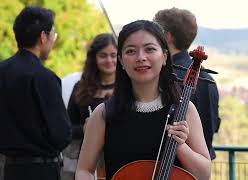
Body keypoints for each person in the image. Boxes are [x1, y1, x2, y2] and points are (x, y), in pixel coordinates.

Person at [75, 20, 211, 180]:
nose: (141, 57)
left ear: (164, 57)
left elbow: (204, 175)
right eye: (131, 51)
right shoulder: (103, 114)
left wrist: (180, 146)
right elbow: (84, 170)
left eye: (150, 49)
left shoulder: (186, 110)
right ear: (121, 61)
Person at [0, 5, 72, 180]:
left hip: (9, 170)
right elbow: (61, 135)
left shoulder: (2, 70)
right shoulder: (44, 77)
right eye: (53, 34)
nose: (54, 39)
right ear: (43, 36)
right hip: (41, 170)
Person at [154, 7, 221, 159]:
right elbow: (213, 125)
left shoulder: (165, 76)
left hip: (176, 162)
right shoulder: (208, 79)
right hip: (202, 163)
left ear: (168, 37)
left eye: (155, 33)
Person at [62, 33, 117, 179]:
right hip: (87, 163)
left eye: (113, 55)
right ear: (94, 58)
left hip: (118, 159)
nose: (109, 60)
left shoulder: (129, 87)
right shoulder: (80, 87)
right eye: (103, 55)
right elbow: (67, 128)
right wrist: (85, 129)